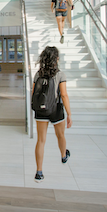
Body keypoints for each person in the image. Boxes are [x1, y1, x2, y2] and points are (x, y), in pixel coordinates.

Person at [32, 46, 72, 183]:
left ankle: (39, 173)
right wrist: (69, 114)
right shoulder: (60, 75)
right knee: (60, 135)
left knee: (41, 141)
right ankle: (63, 155)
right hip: (56, 109)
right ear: (56, 59)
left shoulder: (38, 74)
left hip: (41, 110)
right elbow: (64, 95)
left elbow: (33, 94)